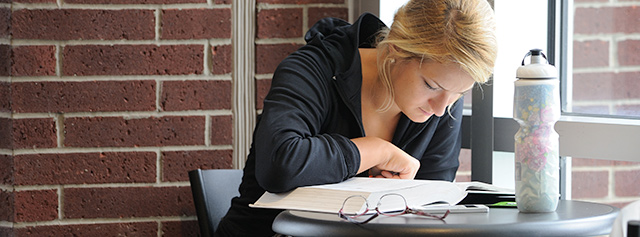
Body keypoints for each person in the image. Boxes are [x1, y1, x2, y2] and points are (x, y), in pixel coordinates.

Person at [215, 0, 497, 235]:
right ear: (396, 49)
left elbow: (432, 207)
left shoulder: (442, 102)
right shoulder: (313, 69)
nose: (440, 108)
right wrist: (374, 149)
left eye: (459, 94)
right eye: (431, 86)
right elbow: (280, 163)